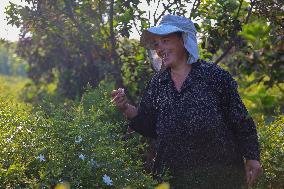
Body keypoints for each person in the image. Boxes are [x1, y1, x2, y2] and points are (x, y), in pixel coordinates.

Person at [111, 15, 261, 189]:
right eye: (157, 44)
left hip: (220, 178)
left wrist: (252, 157)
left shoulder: (215, 76)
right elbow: (148, 125)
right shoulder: (158, 83)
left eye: (166, 40)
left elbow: (241, 121)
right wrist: (124, 107)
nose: (160, 48)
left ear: (184, 40)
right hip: (174, 179)